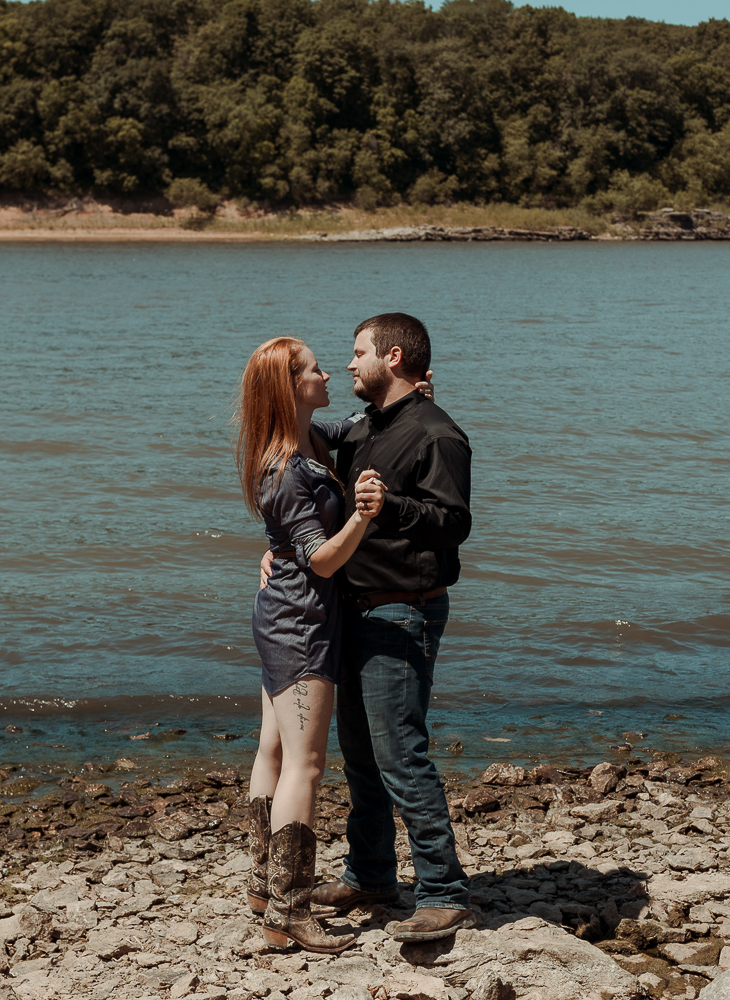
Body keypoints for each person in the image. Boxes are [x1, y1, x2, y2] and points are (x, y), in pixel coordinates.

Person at [267, 313, 475, 943]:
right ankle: (372, 874)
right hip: (350, 608)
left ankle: (442, 890)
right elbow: (309, 444)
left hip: (401, 609)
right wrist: (283, 542)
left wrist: (391, 506)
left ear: (390, 356)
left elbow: (454, 522)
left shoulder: (439, 435)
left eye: (356, 353)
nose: (346, 365)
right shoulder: (364, 426)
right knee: (360, 758)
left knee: (399, 755)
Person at [235, 336, 386, 954]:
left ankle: (263, 887)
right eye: (316, 368)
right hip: (301, 623)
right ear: (292, 386)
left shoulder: (309, 440)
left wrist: (408, 398)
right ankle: (290, 911)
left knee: (272, 750)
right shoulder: (287, 470)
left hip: (282, 615)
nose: (329, 373)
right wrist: (362, 515)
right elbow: (321, 561)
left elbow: (352, 421)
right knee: (307, 764)